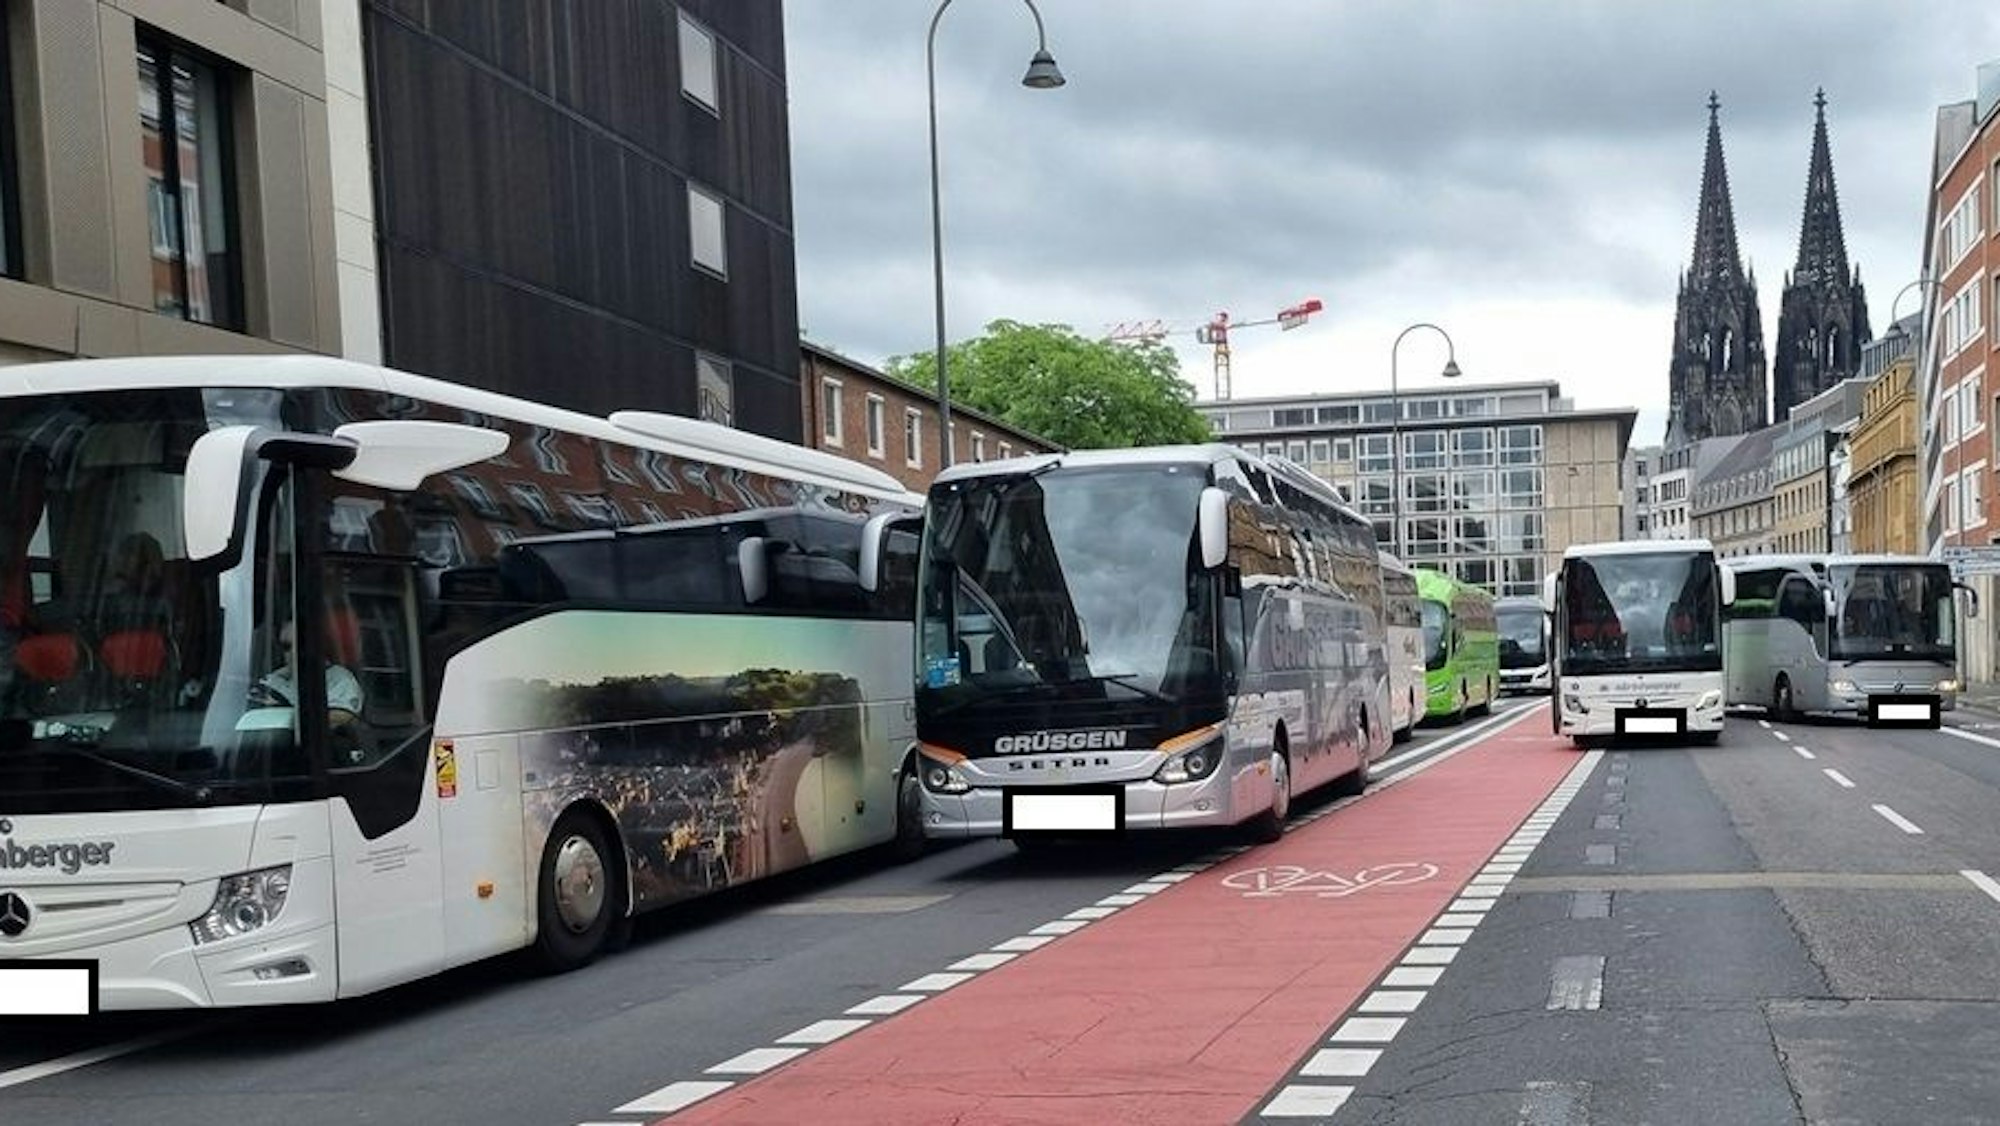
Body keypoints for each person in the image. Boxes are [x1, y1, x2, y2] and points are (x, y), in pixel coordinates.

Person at [249, 620, 363, 725]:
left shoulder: (340, 679)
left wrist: (285, 711)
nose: (293, 651)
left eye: (301, 644)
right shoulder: (279, 677)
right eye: (286, 646)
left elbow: (342, 716)